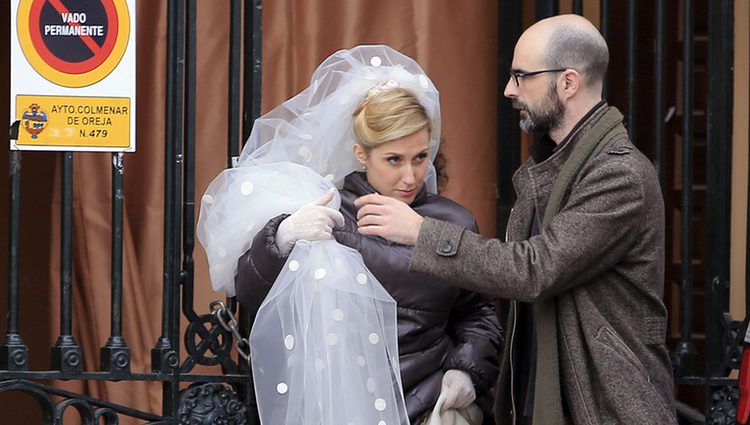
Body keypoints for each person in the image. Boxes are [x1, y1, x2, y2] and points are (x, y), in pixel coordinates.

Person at [354, 15, 677, 425]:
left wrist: (421, 232)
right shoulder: (551, 167)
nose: (509, 89)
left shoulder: (619, 175)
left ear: (568, 82)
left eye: (521, 76)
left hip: (607, 405)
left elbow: (534, 269)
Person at [198, 45, 502, 425]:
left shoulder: (453, 220)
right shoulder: (324, 208)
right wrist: (282, 236)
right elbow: (249, 293)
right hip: (336, 406)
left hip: (428, 406)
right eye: (394, 159)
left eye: (420, 157)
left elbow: (477, 313)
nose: (410, 176)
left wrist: (467, 371)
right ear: (361, 154)